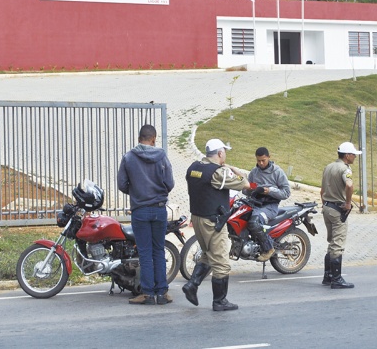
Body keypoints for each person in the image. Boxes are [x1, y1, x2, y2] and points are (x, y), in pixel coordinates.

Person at [183, 138, 251, 311]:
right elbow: (245, 183)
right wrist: (231, 168)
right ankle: (220, 301)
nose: (225, 155)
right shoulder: (218, 172)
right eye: (225, 152)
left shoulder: (194, 168)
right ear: (220, 153)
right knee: (221, 261)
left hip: (197, 218)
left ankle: (192, 284)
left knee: (208, 253)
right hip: (213, 222)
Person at [117, 124, 175, 305]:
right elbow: (170, 183)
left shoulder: (128, 157)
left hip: (140, 210)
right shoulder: (162, 157)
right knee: (158, 250)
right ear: (153, 139)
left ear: (139, 138)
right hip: (159, 209)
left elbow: (122, 185)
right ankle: (163, 293)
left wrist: (137, 191)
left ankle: (148, 294)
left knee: (145, 252)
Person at [319, 141, 360, 289]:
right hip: (337, 209)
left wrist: (324, 204)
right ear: (347, 155)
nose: (355, 157)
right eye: (353, 154)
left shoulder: (328, 167)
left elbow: (322, 190)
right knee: (338, 244)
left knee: (331, 242)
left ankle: (327, 276)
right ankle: (336, 279)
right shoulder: (345, 169)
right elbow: (349, 185)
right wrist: (348, 202)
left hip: (327, 207)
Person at [243, 147, 291, 262]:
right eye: (258, 160)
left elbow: (286, 193)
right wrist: (249, 189)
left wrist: (270, 191)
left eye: (263, 160)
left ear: (269, 157)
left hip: (270, 206)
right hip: (255, 204)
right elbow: (245, 190)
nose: (261, 163)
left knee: (254, 221)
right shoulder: (254, 172)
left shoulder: (277, 172)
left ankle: (268, 248)